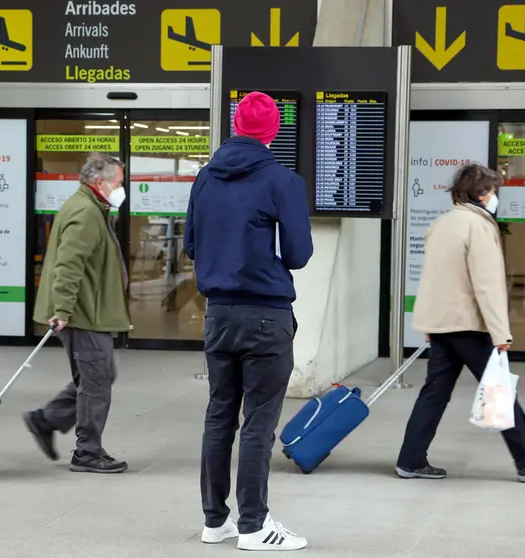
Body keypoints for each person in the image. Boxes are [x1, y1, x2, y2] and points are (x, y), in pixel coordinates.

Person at [186, 91, 313, 551]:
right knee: (258, 422)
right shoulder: (282, 181)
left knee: (219, 415)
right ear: (272, 131)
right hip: (266, 316)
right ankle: (255, 527)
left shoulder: (204, 179)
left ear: (236, 126)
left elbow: (191, 245)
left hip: (218, 314)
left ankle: (214, 521)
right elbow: (298, 254)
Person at [395, 163, 525, 484]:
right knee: (498, 390)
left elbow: (432, 278)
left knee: (434, 393)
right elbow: (487, 285)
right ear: (481, 193)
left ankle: (411, 459)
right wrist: (500, 332)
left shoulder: (442, 224)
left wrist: (431, 324)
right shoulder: (479, 226)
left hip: (443, 324)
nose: (494, 196)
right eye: (492, 190)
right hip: (470, 324)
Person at [23, 153, 131, 474]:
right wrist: (63, 310)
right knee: (96, 382)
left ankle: (46, 419)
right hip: (83, 314)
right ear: (100, 182)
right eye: (118, 183)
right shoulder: (86, 213)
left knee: (97, 377)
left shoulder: (90, 207)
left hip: (88, 310)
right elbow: (67, 267)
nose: (120, 189)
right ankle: (87, 452)